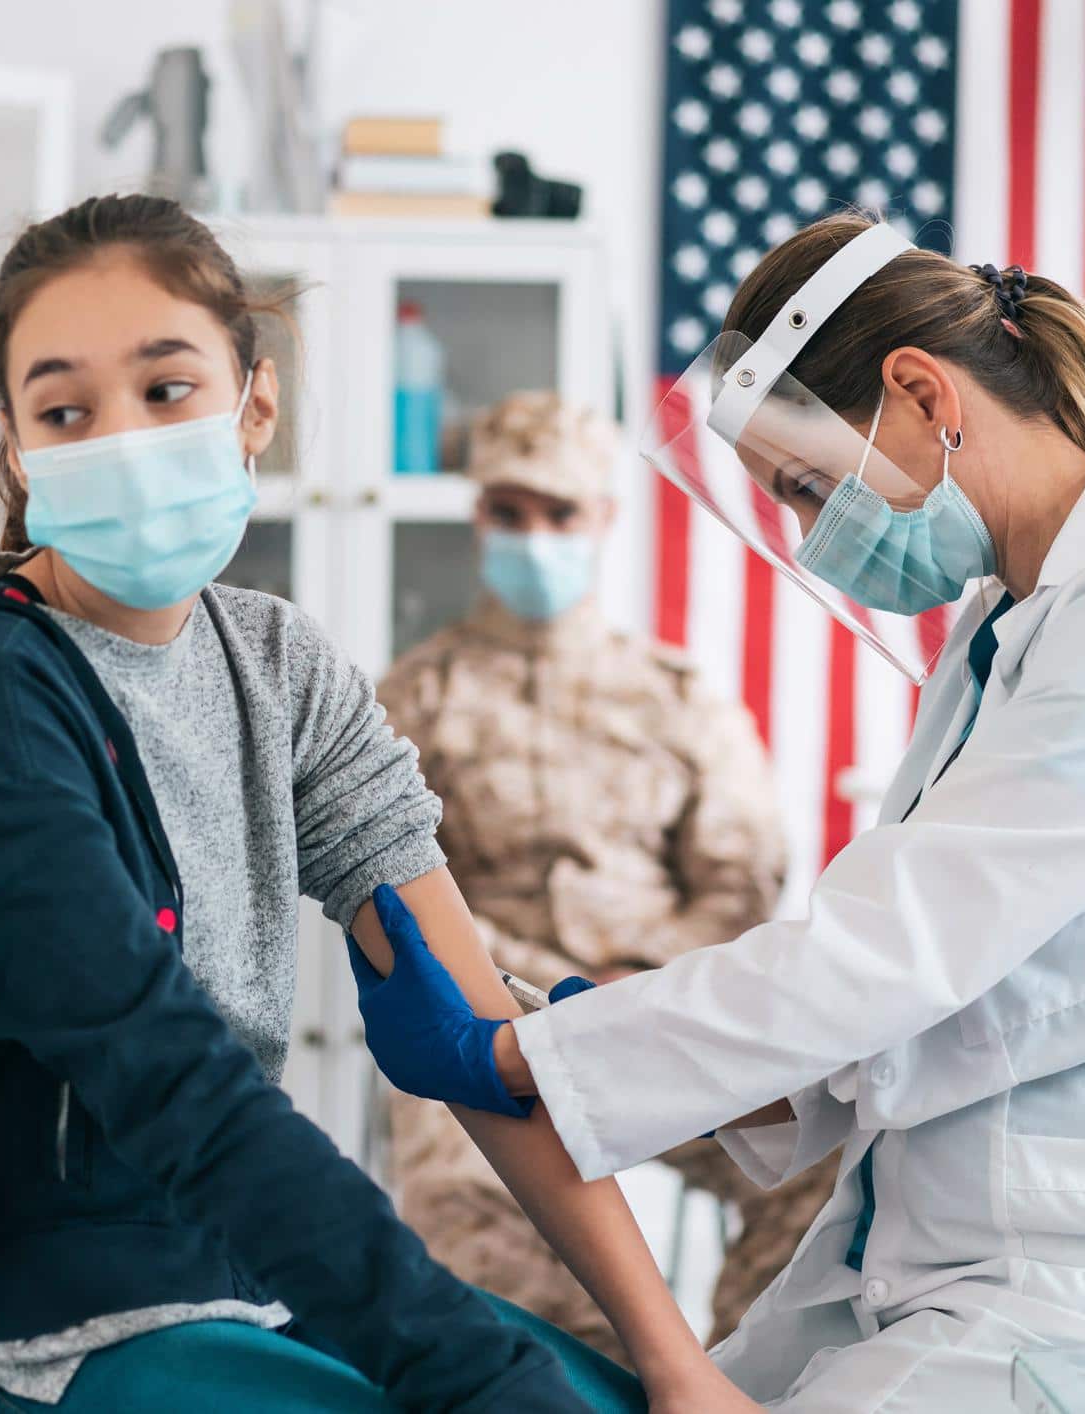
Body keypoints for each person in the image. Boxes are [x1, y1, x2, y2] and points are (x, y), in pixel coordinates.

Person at [0, 195, 753, 1414]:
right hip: (41, 1320)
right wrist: (475, 1371)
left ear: (256, 403)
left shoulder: (278, 666)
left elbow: (461, 1033)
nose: (124, 440)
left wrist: (674, 1364)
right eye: (65, 410)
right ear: (18, 447)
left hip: (234, 1268)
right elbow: (170, 1086)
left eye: (165, 389)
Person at [352, 212, 1085, 1409]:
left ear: (923, 393)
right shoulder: (1013, 631)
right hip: (964, 1260)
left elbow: (895, 950)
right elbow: (968, 992)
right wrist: (598, 1031)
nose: (809, 536)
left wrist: (533, 1054)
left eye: (807, 488)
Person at [378, 390, 825, 1353]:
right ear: (478, 515)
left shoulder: (676, 696)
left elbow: (742, 876)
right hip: (481, 1031)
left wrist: (650, 980)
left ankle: (737, 1382)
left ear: (602, 521)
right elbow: (385, 892)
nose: (533, 536)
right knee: (491, 1248)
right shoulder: (416, 696)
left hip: (654, 1013)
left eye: (559, 513)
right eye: (510, 511)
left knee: (825, 1170)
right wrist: (504, 998)